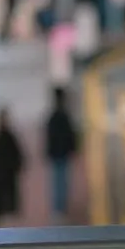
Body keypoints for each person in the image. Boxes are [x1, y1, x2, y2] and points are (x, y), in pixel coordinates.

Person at [44, 87, 79, 221]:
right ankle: (60, 208)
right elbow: (70, 135)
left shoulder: (54, 116)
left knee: (57, 181)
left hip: (57, 154)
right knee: (61, 181)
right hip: (62, 154)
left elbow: (50, 137)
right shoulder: (63, 116)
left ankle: (58, 208)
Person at [0, 107, 26, 226]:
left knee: (9, 200)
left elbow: (17, 154)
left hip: (7, 173)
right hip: (0, 174)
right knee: (0, 200)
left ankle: (7, 219)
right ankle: (0, 220)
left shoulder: (7, 135)